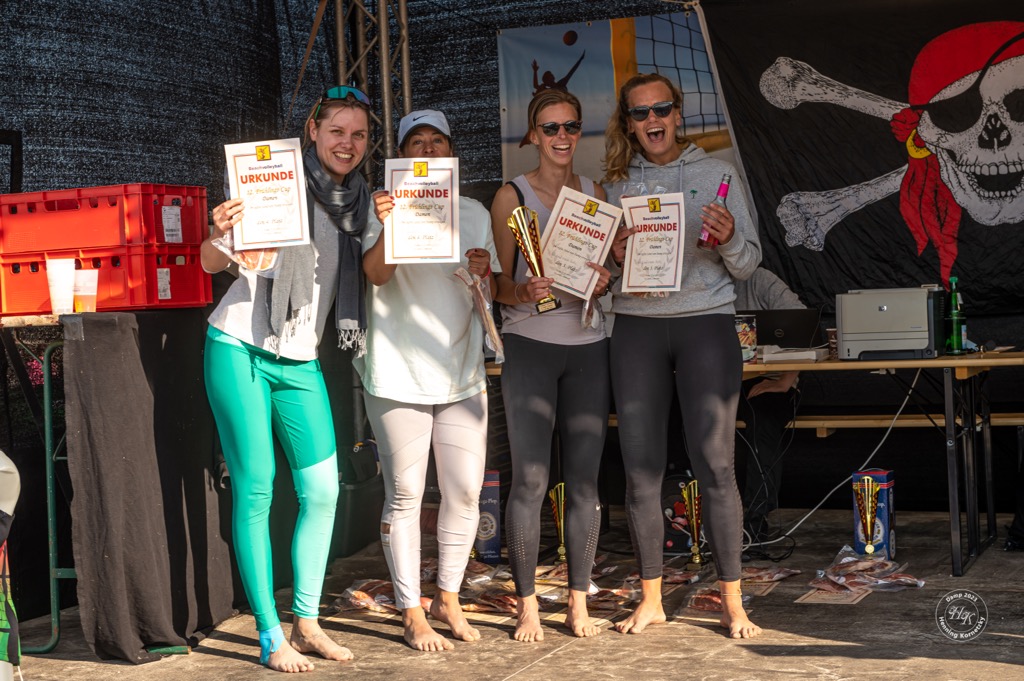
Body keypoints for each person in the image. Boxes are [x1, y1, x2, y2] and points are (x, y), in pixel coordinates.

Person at [202, 85, 372, 672]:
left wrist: (398, 222)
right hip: (240, 346)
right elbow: (209, 261)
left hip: (300, 357)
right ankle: (270, 634)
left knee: (322, 492)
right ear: (312, 131)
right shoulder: (272, 185)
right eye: (336, 131)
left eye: (358, 134)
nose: (347, 143)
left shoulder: (360, 204)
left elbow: (376, 269)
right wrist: (219, 229)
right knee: (257, 489)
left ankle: (307, 621)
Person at [602, 72, 762, 639]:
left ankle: (733, 601)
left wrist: (730, 238)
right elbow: (597, 275)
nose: (652, 120)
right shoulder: (613, 186)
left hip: (705, 325)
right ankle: (651, 599)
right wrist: (613, 255)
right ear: (628, 124)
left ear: (678, 113)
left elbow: (749, 263)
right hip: (636, 329)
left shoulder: (719, 175)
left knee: (716, 465)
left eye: (661, 109)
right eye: (639, 112)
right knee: (641, 471)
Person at [357, 110, 498, 652]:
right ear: (400, 156)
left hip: (461, 371)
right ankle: (411, 608)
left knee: (464, 491)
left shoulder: (474, 212)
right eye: (416, 142)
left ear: (451, 152)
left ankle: (448, 597)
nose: (429, 149)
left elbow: (486, 290)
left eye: (438, 141)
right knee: (406, 494)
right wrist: (392, 224)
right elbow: (376, 275)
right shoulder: (381, 206)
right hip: (397, 371)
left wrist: (483, 272)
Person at [490, 89, 613, 642]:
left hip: (588, 343)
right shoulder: (510, 196)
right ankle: (527, 605)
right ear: (533, 135)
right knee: (532, 479)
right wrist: (521, 291)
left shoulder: (595, 194)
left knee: (584, 479)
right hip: (530, 344)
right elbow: (496, 283)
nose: (562, 137)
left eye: (571, 126)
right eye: (550, 128)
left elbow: (603, 271)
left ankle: (578, 601)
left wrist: (604, 278)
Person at [733, 268, 806, 545]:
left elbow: (802, 322)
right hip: (716, 382)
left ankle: (754, 523)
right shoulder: (696, 281)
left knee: (762, 418)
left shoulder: (759, 279)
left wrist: (786, 380)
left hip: (767, 379)